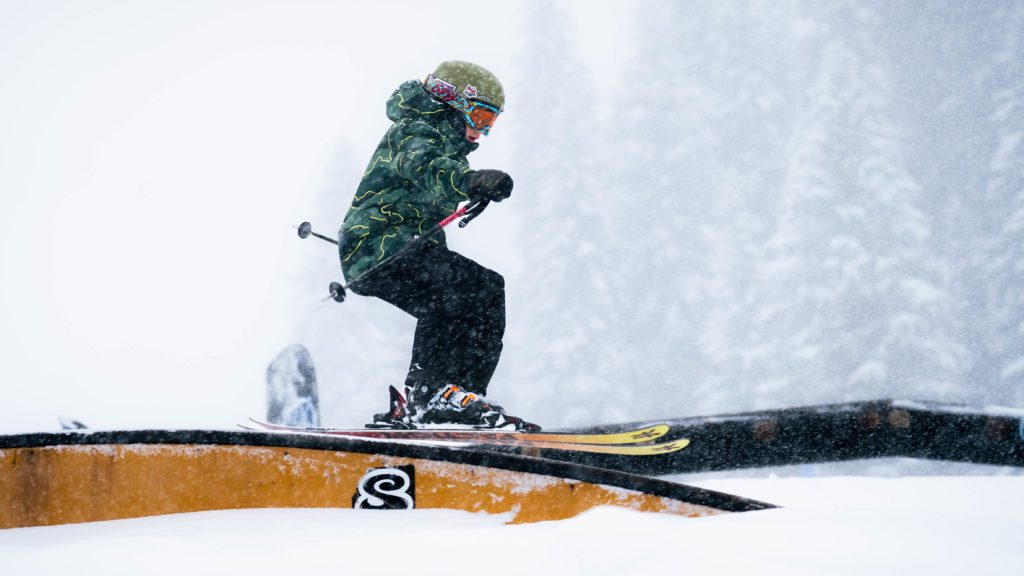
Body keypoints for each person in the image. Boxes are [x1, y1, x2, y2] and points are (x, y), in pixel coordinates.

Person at [338, 61, 536, 431]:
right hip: (375, 247)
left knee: (485, 289)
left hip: (403, 248)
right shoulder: (414, 129)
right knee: (457, 287)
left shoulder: (445, 145)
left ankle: (459, 396)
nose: (481, 131)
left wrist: (468, 181)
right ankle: (430, 396)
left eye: (490, 123)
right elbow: (426, 165)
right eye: (480, 117)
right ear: (454, 101)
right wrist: (470, 181)